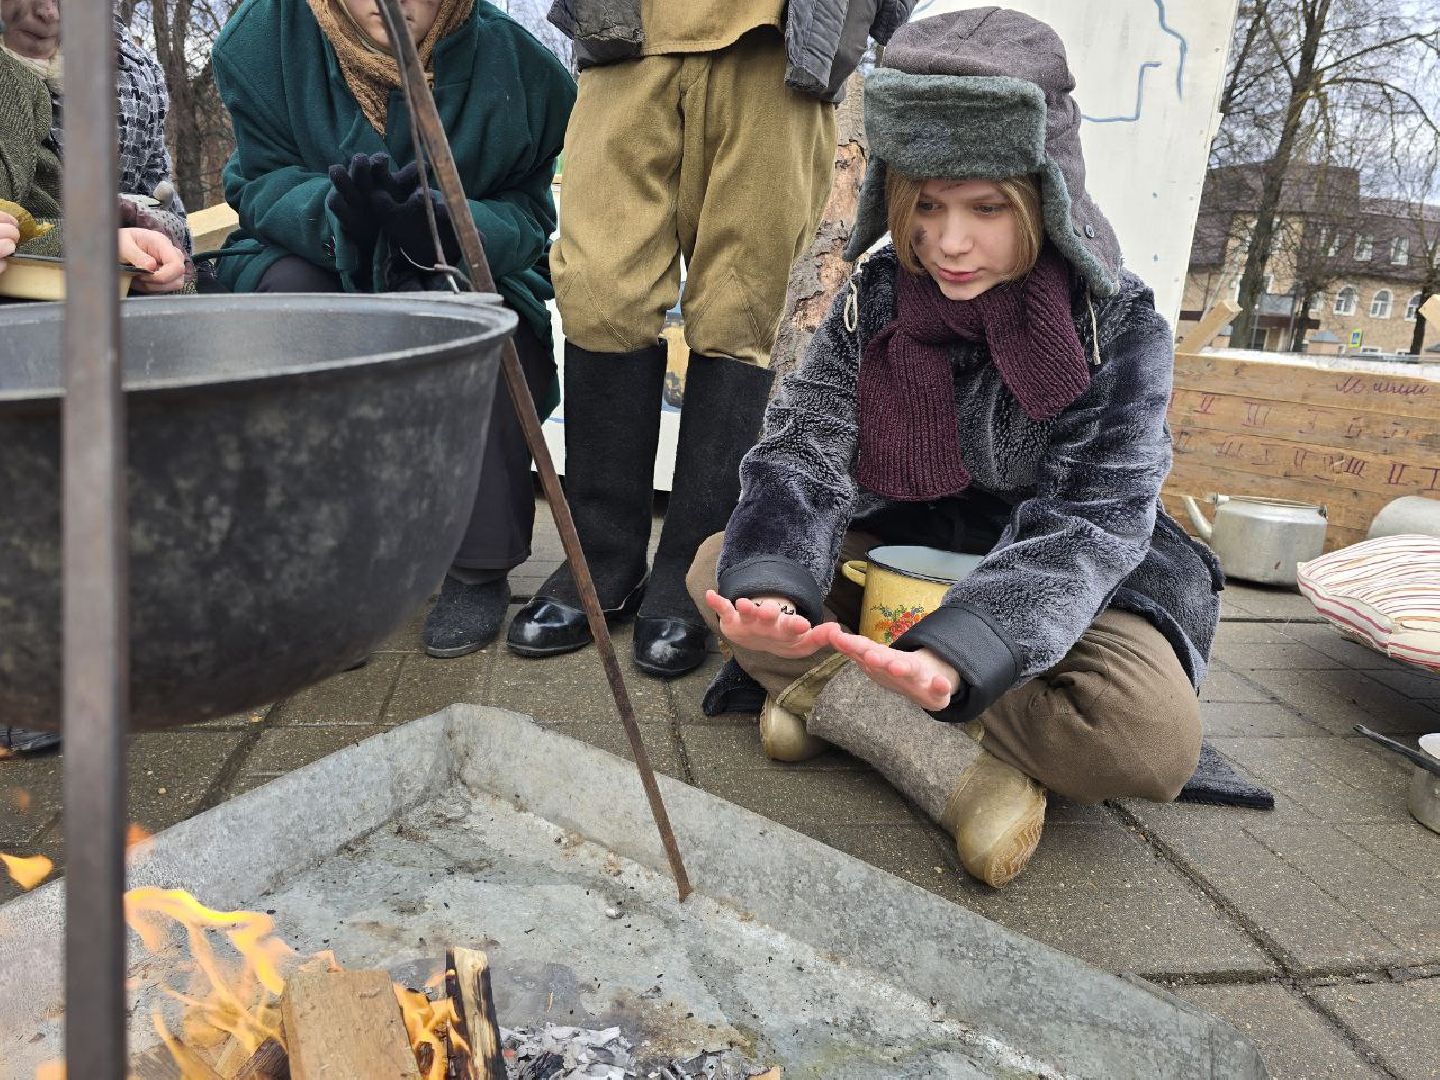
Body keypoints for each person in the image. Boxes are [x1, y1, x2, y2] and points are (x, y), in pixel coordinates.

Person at [686, 8, 1223, 888]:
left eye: (986, 207)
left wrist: (971, 647)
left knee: (1148, 741)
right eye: (925, 205)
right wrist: (775, 588)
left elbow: (1094, 518)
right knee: (723, 568)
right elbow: (802, 452)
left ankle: (837, 698)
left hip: (1056, 576)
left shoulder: (1118, 322)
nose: (948, 243)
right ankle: (951, 747)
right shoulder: (874, 298)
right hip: (897, 542)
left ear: (1046, 195)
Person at [506, 0, 917, 678]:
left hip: (777, 49)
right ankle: (600, 560)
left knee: (740, 309)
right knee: (602, 291)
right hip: (628, 40)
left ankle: (686, 568)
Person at [210, 0, 574, 658]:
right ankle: (332, 569)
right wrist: (335, 212)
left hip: (465, 265)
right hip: (308, 251)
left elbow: (527, 216)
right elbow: (260, 183)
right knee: (294, 310)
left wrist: (445, 224)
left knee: (482, 333)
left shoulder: (526, 72)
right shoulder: (265, 39)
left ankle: (477, 566)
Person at [1, 1, 192, 256]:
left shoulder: (137, 76)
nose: (48, 12)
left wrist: (156, 245)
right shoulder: (17, 82)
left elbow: (163, 198)